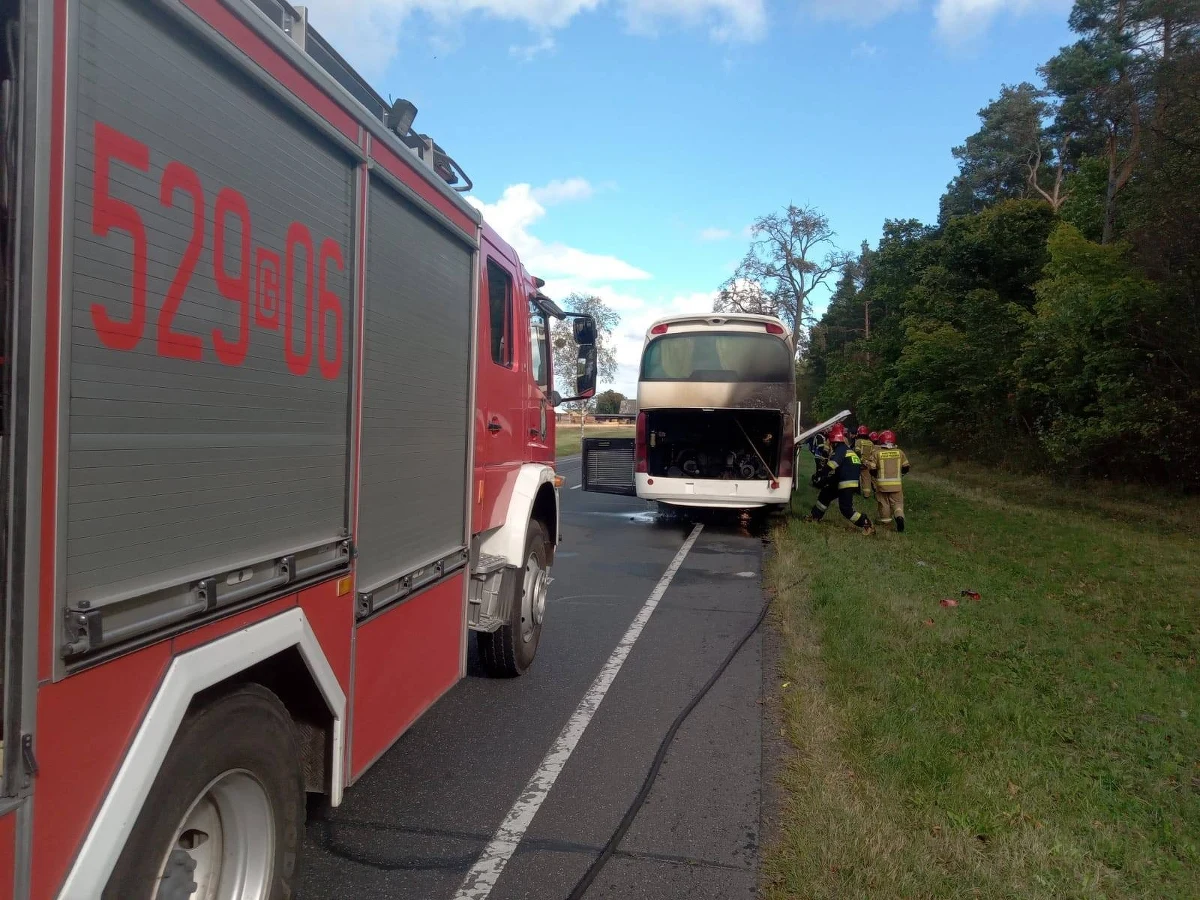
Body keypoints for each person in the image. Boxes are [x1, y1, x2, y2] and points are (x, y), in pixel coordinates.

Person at [807, 423, 873, 532]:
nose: (830, 444)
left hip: (846, 482)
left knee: (846, 509)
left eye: (831, 442)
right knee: (825, 494)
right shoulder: (845, 449)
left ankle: (865, 523)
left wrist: (820, 474)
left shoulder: (840, 449)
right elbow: (840, 470)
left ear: (833, 441)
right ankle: (815, 516)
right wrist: (826, 479)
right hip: (843, 478)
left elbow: (833, 464)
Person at [868, 429, 910, 532]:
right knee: (898, 504)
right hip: (896, 485)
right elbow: (906, 467)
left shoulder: (877, 453)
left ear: (881, 441)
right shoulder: (900, 452)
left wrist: (876, 477)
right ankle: (899, 516)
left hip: (882, 485)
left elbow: (872, 469)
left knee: (884, 504)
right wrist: (901, 475)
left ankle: (886, 523)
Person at [853, 425, 875, 499]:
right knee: (866, 479)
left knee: (855, 477)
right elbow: (873, 454)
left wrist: (862, 460)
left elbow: (857, 451)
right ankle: (867, 495)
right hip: (868, 463)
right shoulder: (871, 443)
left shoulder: (858, 441)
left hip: (859, 462)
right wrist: (869, 461)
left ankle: (856, 491)